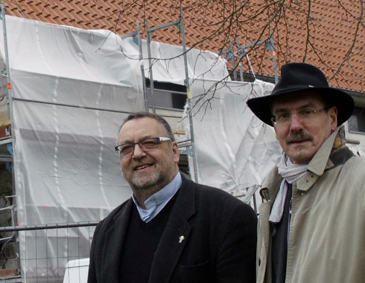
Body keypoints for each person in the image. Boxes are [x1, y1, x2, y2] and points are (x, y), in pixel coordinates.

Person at [246, 62, 365, 283]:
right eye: (282, 116)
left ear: (332, 119)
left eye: (307, 111)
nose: (295, 125)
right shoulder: (273, 194)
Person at [87, 112, 257, 283]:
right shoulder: (105, 232)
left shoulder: (227, 217)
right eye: (126, 148)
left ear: (175, 152)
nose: (137, 154)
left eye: (149, 143)